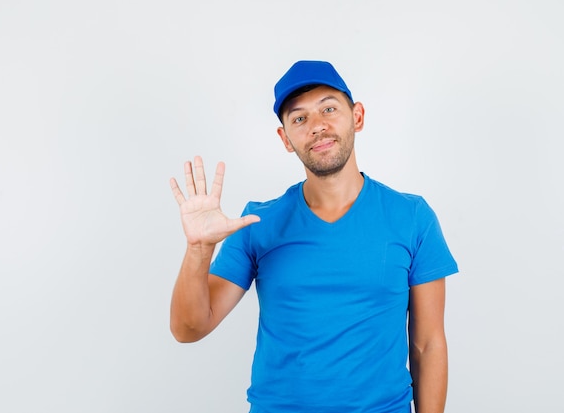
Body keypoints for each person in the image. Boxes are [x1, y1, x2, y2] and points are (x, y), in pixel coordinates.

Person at [169, 60, 458, 413]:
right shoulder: (258, 222)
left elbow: (428, 344)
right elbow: (188, 329)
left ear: (358, 116)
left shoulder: (412, 217)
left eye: (329, 109)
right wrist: (198, 250)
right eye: (299, 118)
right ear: (285, 138)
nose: (317, 126)